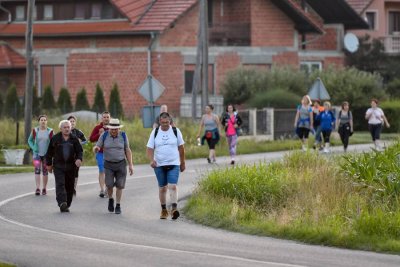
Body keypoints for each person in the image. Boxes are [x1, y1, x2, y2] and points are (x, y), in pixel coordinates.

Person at [147, 112, 185, 220]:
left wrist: (183, 163)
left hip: (174, 163)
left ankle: (174, 209)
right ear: (159, 122)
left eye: (167, 122)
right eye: (163, 122)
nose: (165, 124)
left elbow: (181, 148)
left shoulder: (175, 131)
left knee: (172, 186)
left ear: (170, 121)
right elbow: (150, 148)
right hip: (159, 164)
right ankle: (164, 210)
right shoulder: (155, 132)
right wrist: (151, 160)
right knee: (162, 188)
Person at [93, 118, 134, 215]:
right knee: (109, 185)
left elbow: (127, 150)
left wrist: (131, 165)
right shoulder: (105, 135)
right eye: (112, 129)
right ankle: (111, 199)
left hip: (121, 163)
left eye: (116, 129)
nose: (114, 131)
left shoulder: (123, 135)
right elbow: (97, 146)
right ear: (109, 128)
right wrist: (96, 148)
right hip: (108, 164)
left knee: (120, 185)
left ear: (119, 129)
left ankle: (118, 205)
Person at [46, 120, 83, 212]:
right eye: (65, 127)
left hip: (71, 167)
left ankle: (67, 203)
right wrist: (49, 164)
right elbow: (49, 153)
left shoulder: (74, 139)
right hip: (58, 166)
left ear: (71, 128)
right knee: (60, 184)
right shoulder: (55, 138)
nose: (67, 129)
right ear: (60, 128)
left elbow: (79, 151)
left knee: (69, 186)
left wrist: (79, 159)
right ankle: (62, 202)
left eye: (68, 127)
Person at [28, 115, 54, 196]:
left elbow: (54, 142)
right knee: (37, 170)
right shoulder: (35, 130)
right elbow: (29, 140)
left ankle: (44, 188)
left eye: (44, 120)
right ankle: (38, 188)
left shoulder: (50, 131)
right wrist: (33, 147)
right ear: (39, 121)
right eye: (41, 120)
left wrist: (52, 152)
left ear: (46, 122)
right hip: (36, 155)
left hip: (46, 155)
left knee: (45, 172)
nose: (43, 121)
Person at [89, 111, 111, 198]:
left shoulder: (113, 127)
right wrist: (99, 134)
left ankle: (107, 188)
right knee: (102, 170)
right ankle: (102, 189)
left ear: (110, 118)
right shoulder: (98, 127)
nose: (106, 119)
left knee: (109, 171)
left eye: (107, 117)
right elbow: (91, 139)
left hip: (111, 153)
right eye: (104, 117)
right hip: (100, 152)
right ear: (102, 118)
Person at [68, 115, 88, 196]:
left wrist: (80, 143)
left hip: (77, 155)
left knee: (75, 172)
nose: (72, 123)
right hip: (68, 155)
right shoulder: (65, 131)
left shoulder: (78, 132)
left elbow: (85, 141)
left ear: (75, 123)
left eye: (73, 121)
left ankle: (74, 188)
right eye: (70, 121)